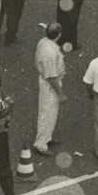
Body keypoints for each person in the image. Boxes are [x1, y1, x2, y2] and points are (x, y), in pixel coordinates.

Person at [33, 23, 65, 155]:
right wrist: (61, 94)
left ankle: (47, 137)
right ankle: (41, 144)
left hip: (48, 81)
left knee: (51, 113)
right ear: (59, 35)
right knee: (47, 113)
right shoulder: (50, 53)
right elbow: (51, 77)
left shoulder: (44, 42)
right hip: (50, 85)